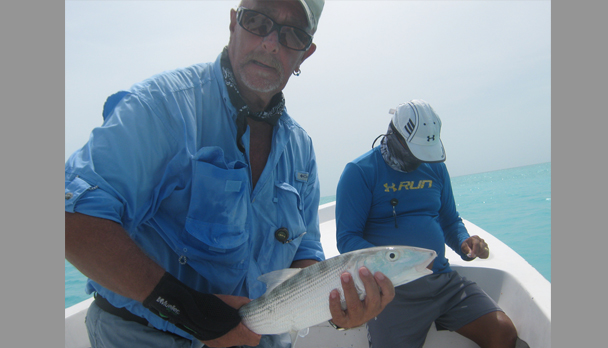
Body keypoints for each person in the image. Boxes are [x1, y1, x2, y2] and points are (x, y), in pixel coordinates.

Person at [64, 1, 395, 348]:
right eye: (257, 21)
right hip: (147, 336)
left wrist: (336, 307)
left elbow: (304, 251)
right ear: (233, 23)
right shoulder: (162, 107)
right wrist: (187, 310)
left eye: (292, 34)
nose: (270, 43)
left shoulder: (301, 150)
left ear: (305, 54)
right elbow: (71, 216)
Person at [335, 99, 529, 348]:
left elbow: (450, 220)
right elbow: (348, 238)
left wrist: (464, 242)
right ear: (394, 137)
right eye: (413, 153)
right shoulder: (359, 171)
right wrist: (396, 265)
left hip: (442, 281)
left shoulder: (435, 169)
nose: (419, 161)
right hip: (391, 293)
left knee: (502, 332)